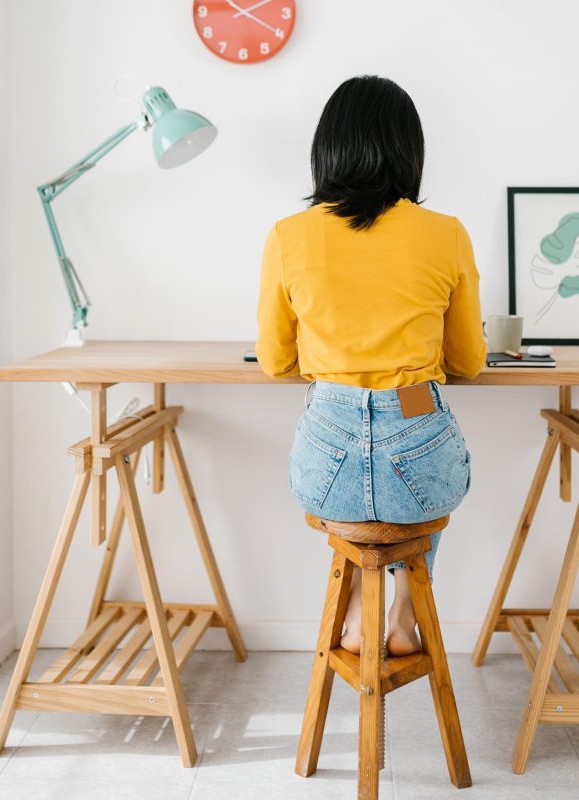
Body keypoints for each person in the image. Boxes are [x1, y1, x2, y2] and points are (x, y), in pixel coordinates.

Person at [255, 75, 486, 656]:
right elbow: (468, 361)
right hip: (418, 437)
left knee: (358, 498)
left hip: (326, 460)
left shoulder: (288, 236)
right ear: (409, 150)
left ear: (326, 148)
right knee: (419, 491)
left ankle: (360, 607)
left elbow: (274, 360)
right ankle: (404, 615)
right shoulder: (446, 234)